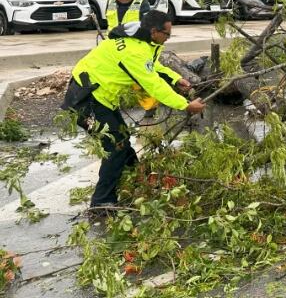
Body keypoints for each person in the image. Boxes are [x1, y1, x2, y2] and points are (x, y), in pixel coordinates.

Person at [61, 11, 206, 211]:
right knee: (114, 147)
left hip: (101, 97)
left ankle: (136, 180)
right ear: (155, 32)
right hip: (85, 101)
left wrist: (174, 78)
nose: (168, 38)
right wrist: (186, 105)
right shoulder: (134, 52)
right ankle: (102, 202)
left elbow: (153, 66)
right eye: (167, 34)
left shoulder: (141, 39)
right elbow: (153, 84)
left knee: (121, 137)